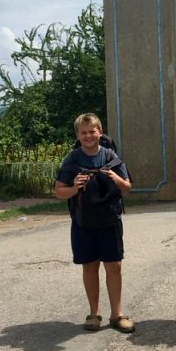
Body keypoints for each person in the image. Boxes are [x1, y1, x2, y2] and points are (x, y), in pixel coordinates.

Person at [54, 112, 134, 333]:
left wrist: (115, 178)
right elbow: (60, 192)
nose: (89, 136)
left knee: (114, 267)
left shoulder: (111, 157)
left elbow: (127, 188)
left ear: (100, 132)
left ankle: (117, 314)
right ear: (78, 135)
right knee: (90, 266)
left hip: (110, 219)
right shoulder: (72, 159)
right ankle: (94, 312)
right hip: (83, 221)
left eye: (92, 131)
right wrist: (75, 187)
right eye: (84, 132)